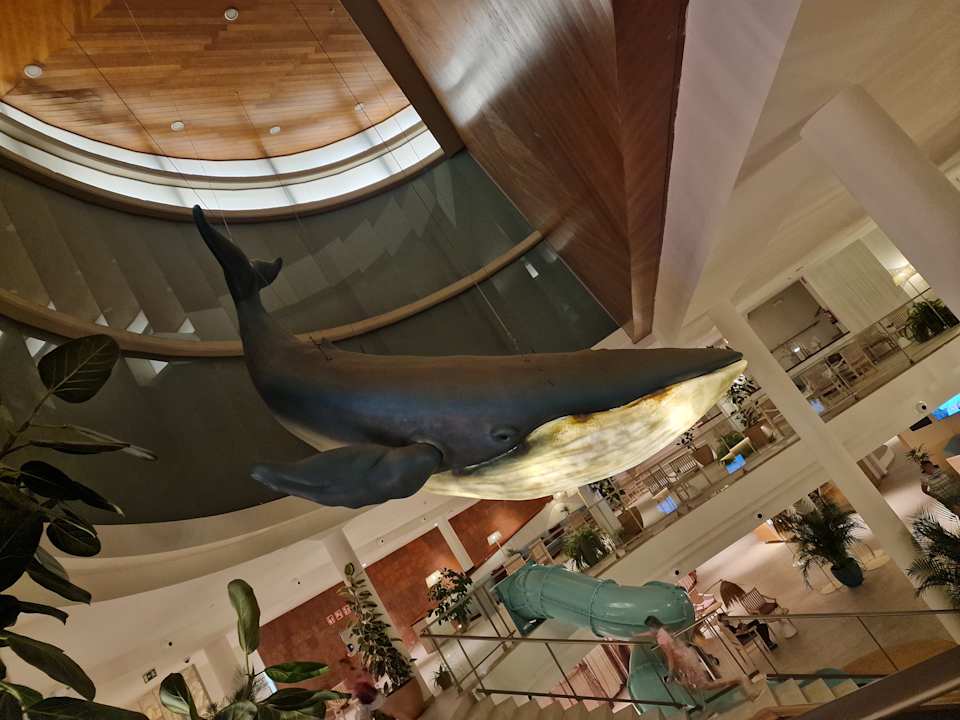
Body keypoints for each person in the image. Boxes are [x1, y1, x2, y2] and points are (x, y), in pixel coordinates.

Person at [637, 617, 757, 698]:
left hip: (685, 661)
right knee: (693, 687)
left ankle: (740, 679)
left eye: (649, 628)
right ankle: (705, 706)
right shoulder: (664, 630)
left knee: (705, 686)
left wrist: (670, 673)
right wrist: (637, 634)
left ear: (652, 626)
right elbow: (652, 633)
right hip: (688, 655)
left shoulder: (661, 639)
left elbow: (670, 657)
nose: (649, 631)